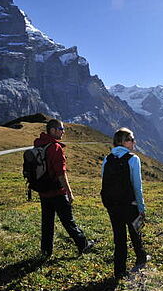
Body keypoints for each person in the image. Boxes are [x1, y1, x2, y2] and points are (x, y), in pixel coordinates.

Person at [33, 119, 94, 258]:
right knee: (68, 221)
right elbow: (61, 173)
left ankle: (46, 251)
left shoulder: (39, 143)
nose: (63, 131)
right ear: (53, 130)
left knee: (47, 222)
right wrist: (69, 192)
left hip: (43, 190)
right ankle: (83, 244)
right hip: (57, 191)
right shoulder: (55, 148)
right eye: (61, 129)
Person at [100, 127, 148, 279]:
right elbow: (137, 185)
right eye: (131, 139)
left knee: (119, 238)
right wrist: (141, 206)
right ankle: (140, 258)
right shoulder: (133, 159)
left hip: (112, 204)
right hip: (129, 203)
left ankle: (119, 271)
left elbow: (104, 180)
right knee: (135, 232)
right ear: (123, 142)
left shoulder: (107, 159)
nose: (134, 142)